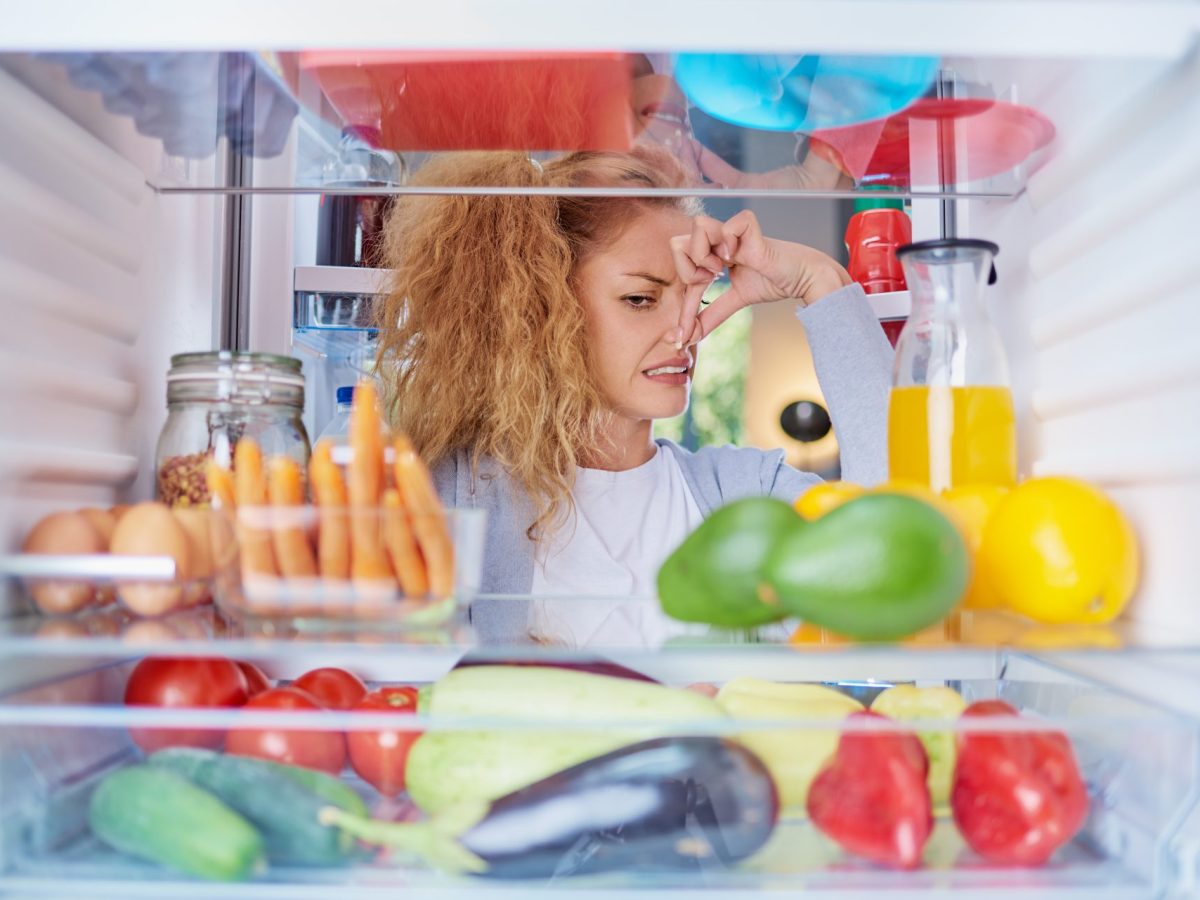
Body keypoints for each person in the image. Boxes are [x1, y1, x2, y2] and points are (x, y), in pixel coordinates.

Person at [374, 146, 893, 638]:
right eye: (642, 298)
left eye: (695, 296)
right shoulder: (450, 490)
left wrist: (819, 279)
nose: (685, 329)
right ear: (545, 309)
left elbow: (899, 546)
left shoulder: (746, 492)